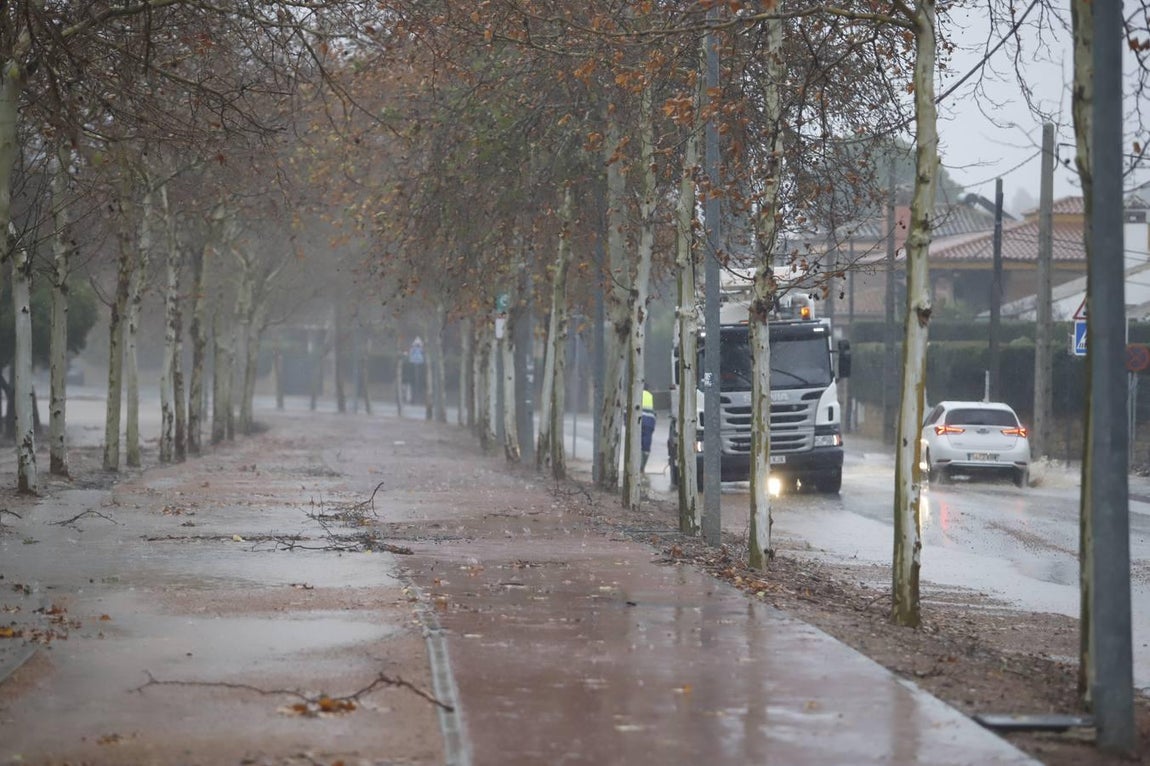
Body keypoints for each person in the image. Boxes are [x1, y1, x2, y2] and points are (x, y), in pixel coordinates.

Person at [640, 389, 656, 473]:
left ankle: (637, 467)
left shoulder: (634, 391)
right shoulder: (650, 395)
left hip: (638, 420)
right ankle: (642, 467)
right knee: (646, 446)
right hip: (649, 422)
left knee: (636, 444)